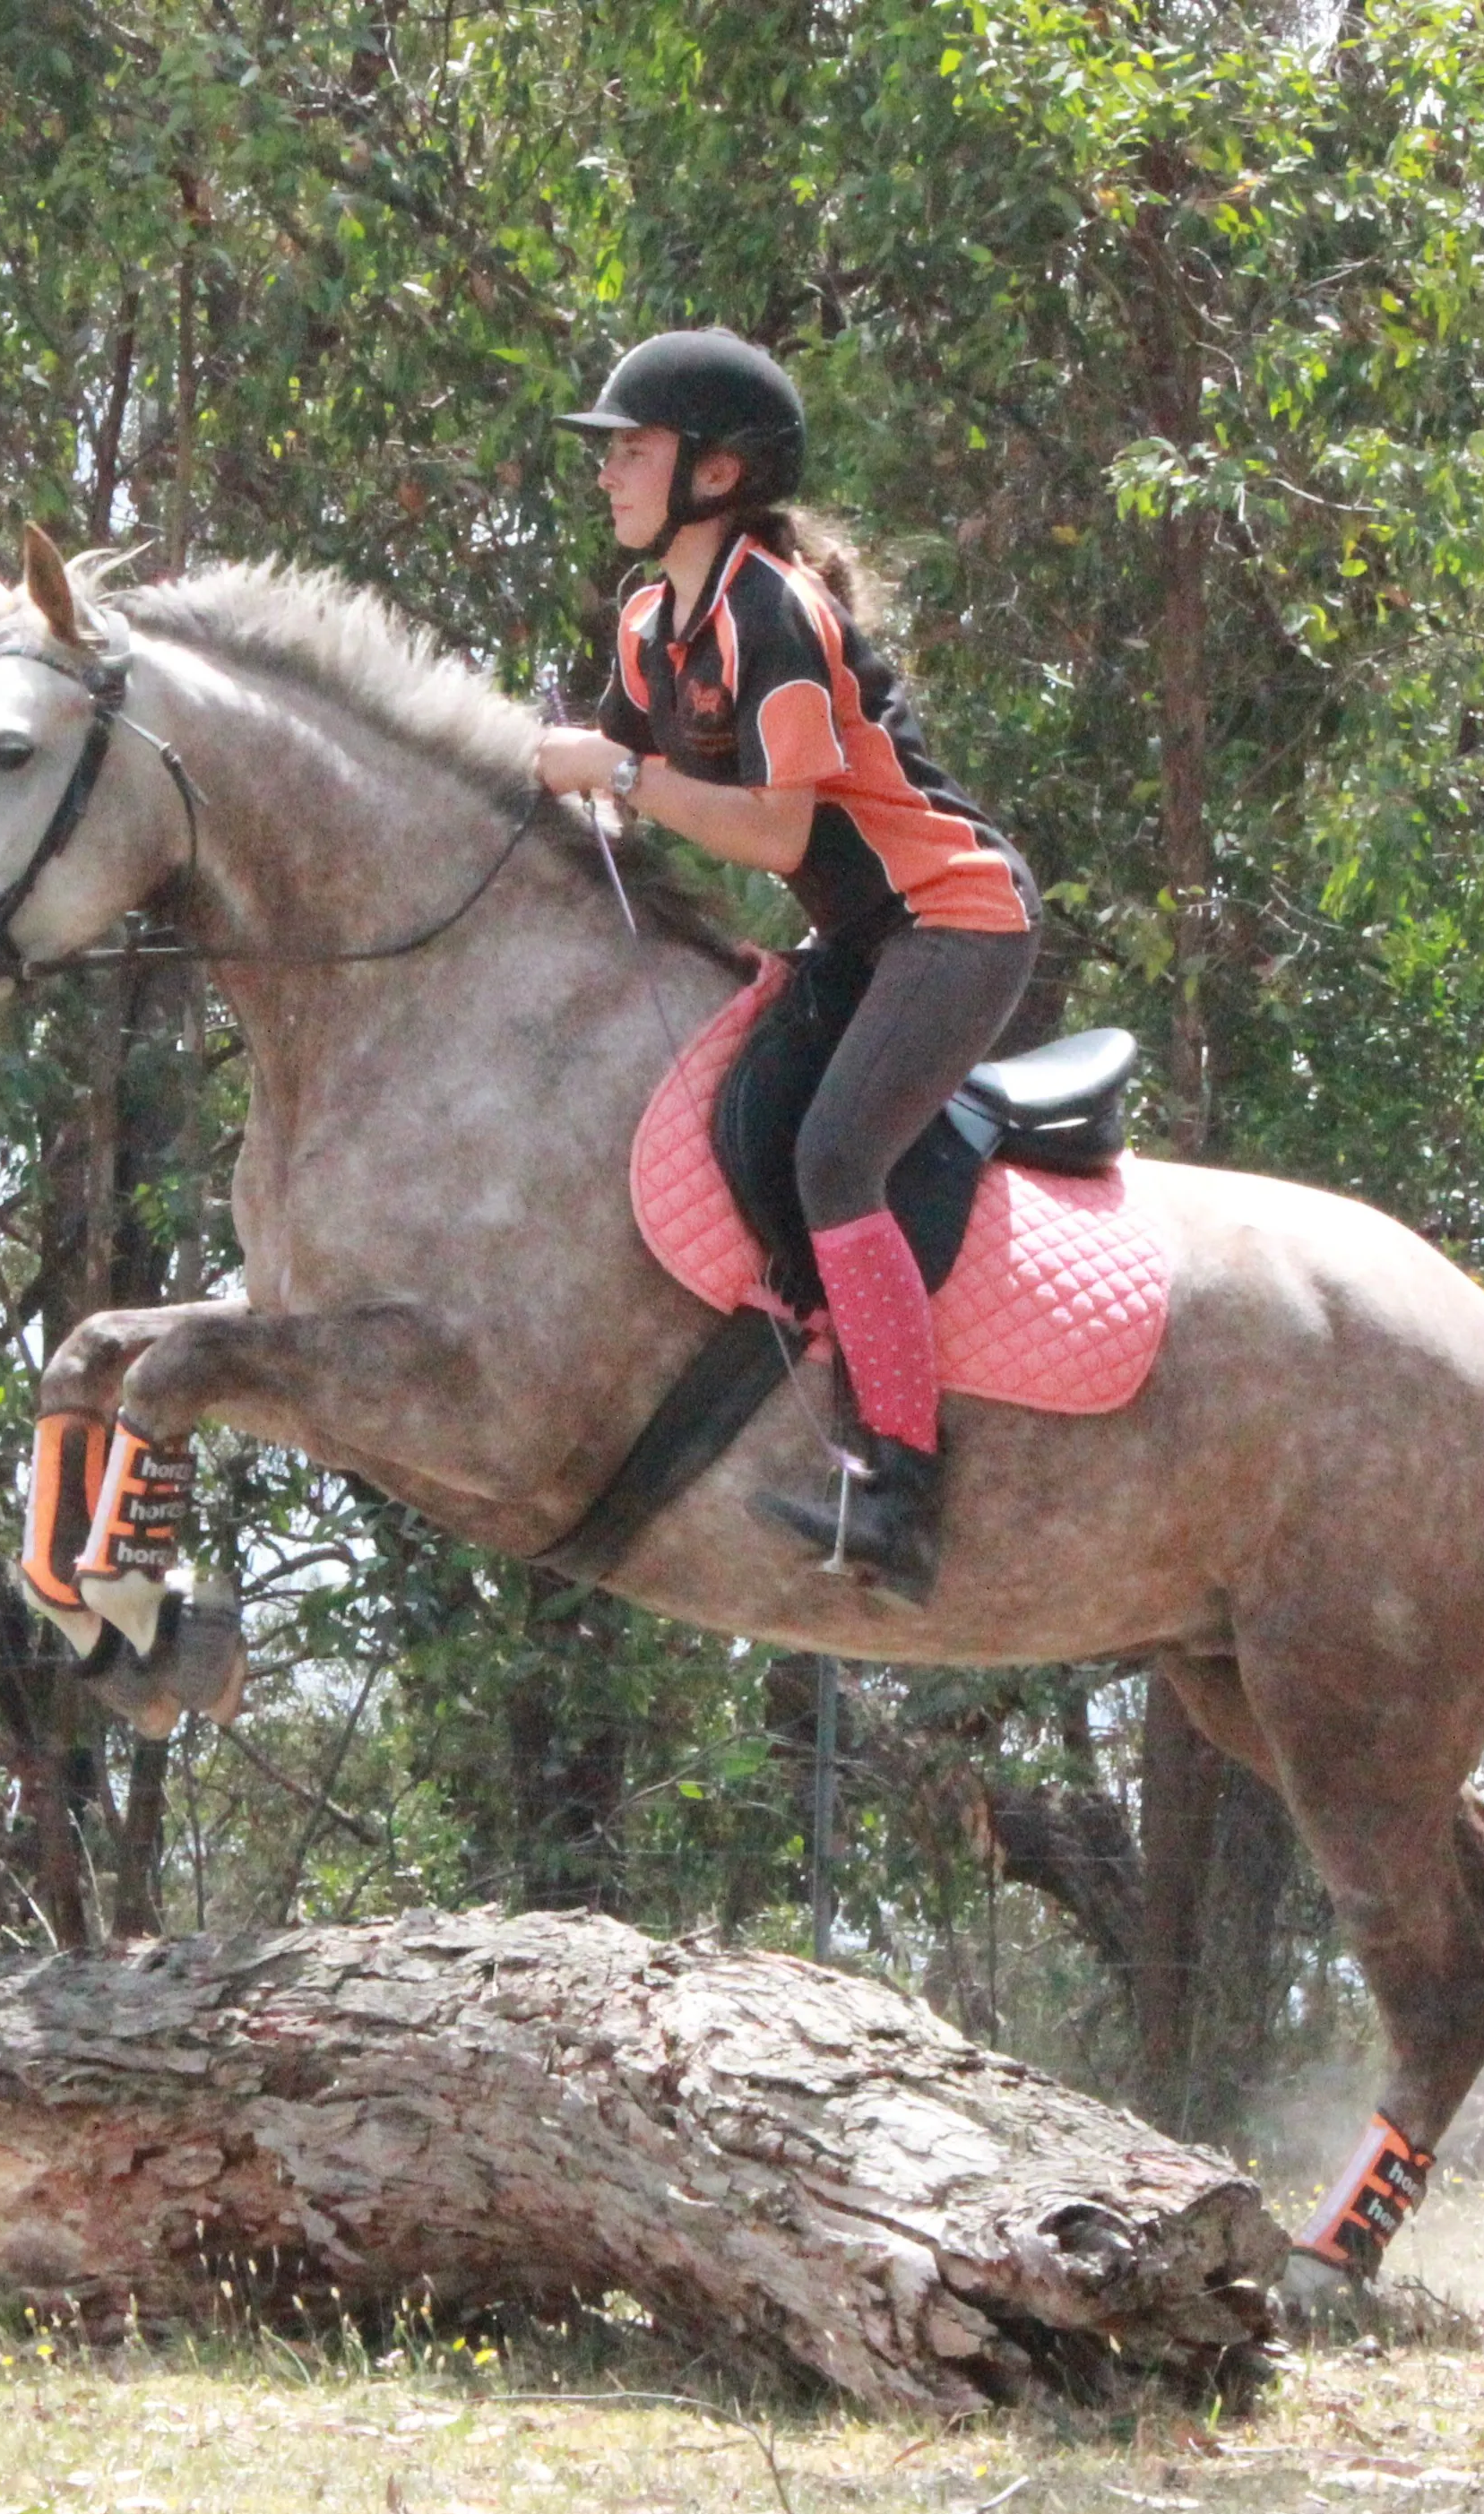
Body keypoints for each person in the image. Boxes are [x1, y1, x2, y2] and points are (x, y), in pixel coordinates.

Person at [531, 328, 1039, 1598]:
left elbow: (776, 829)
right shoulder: (656, 621)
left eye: (631, 452)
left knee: (833, 1159)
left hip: (955, 921)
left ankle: (905, 1494)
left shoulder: (774, 610)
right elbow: (606, 788)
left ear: (715, 473)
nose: (607, 476)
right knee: (744, 1125)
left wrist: (627, 779)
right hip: (865, 937)